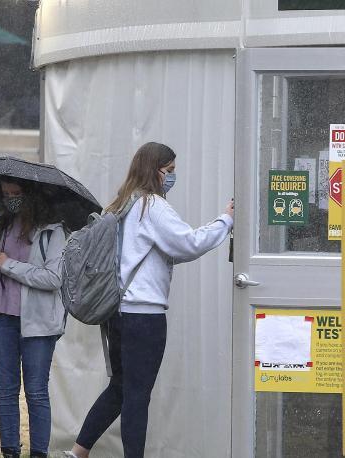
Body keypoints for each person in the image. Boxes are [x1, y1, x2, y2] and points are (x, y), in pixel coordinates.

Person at [65, 142, 234, 458]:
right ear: (154, 170)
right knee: (137, 395)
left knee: (120, 387)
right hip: (144, 316)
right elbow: (188, 243)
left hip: (116, 314)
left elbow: (159, 252)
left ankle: (77, 452)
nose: (171, 177)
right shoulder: (152, 206)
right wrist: (225, 220)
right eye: (168, 171)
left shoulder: (121, 205)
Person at [0, 176, 68, 458]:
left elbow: (53, 278)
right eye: (5, 193)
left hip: (38, 323)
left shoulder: (53, 231)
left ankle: (39, 452)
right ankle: (10, 451)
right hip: (0, 317)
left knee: (36, 392)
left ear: (31, 195)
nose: (10, 198)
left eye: (16, 193)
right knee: (6, 390)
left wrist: (10, 265)